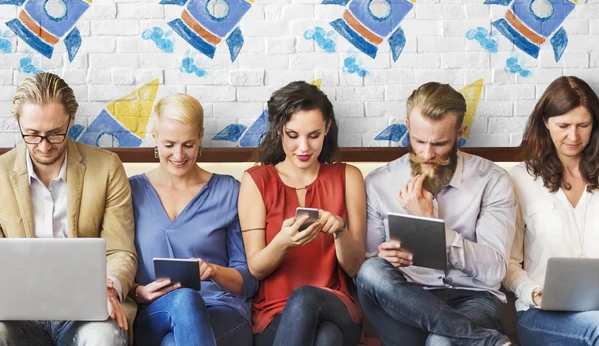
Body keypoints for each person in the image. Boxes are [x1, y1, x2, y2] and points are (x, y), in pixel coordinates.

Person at [357, 81, 517, 346]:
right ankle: (482, 340)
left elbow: (493, 272)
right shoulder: (378, 183)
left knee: (441, 342)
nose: (427, 154)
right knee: (371, 270)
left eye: (440, 143)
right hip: (408, 300)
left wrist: (431, 226)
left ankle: (456, 332)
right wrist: (385, 257)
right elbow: (371, 267)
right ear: (408, 126)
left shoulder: (492, 180)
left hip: (473, 298)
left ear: (460, 133)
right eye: (418, 140)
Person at [0, 73, 137, 346]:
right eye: (32, 134)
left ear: (71, 121)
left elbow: (121, 251)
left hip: (85, 310)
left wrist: (108, 287)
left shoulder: (107, 168)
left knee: (104, 337)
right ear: (18, 123)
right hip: (16, 313)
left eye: (55, 133)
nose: (43, 145)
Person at [238, 81, 365, 346]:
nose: (304, 147)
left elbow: (356, 268)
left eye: (314, 135)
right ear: (279, 131)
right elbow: (257, 268)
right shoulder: (256, 181)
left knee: (307, 297)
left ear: (327, 128)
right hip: (275, 313)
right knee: (326, 339)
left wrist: (340, 231)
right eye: (293, 135)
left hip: (337, 304)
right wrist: (283, 242)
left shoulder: (348, 177)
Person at [129, 93, 257, 346]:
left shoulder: (229, 190)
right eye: (169, 144)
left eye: (188, 144)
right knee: (184, 299)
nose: (179, 155)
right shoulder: (130, 192)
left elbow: (249, 282)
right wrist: (138, 292)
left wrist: (214, 271)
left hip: (221, 311)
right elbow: (114, 259)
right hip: (155, 312)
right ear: (154, 137)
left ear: (200, 137)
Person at [504, 76, 599, 345]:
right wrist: (534, 292)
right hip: (540, 316)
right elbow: (508, 264)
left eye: (583, 125)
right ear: (545, 123)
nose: (574, 136)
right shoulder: (520, 179)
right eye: (564, 126)